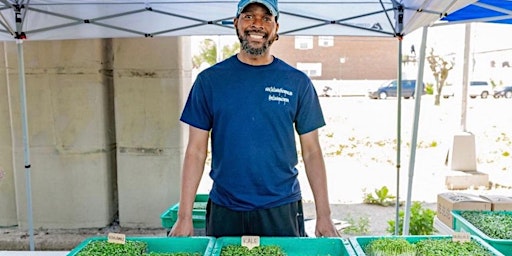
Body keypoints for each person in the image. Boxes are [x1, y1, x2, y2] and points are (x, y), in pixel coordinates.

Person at [170, 0, 339, 238]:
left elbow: (312, 151)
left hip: (281, 208)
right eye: (249, 17)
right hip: (226, 208)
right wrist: (184, 217)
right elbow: (196, 151)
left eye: (266, 18)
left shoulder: (297, 82)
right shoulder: (209, 81)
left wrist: (324, 215)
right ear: (235, 23)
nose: (257, 24)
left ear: (276, 28)